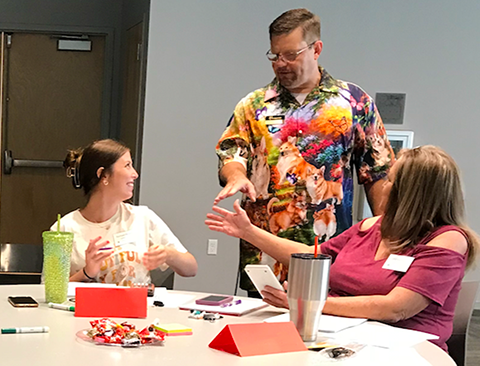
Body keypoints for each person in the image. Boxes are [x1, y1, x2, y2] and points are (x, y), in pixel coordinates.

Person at [206, 145, 478, 351]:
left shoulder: (448, 240)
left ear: (412, 194)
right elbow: (310, 257)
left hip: (402, 350)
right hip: (341, 339)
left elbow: (397, 308)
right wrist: (248, 231)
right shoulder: (371, 226)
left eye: (392, 180)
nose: (384, 187)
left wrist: (310, 306)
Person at [214, 8, 394, 295]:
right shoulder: (253, 105)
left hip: (329, 250)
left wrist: (389, 236)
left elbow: (378, 171)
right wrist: (235, 174)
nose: (281, 64)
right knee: (264, 336)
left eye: (290, 55)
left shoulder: (353, 102)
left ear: (316, 49)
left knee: (325, 335)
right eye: (274, 56)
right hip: (266, 253)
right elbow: (231, 151)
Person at [53, 139, 197, 285]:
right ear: (104, 175)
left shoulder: (142, 217)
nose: (135, 174)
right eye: (127, 165)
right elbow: (48, 291)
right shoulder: (64, 228)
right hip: (82, 308)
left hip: (136, 307)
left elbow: (191, 269)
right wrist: (86, 273)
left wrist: (168, 254)